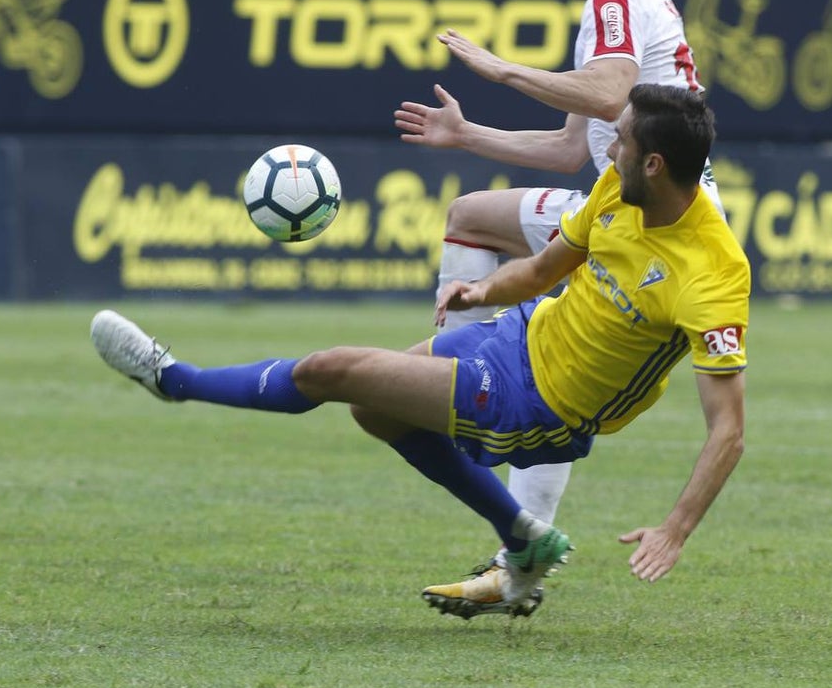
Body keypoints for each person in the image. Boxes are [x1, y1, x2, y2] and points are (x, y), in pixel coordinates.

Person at [91, 84, 750, 618]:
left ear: (655, 164)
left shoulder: (713, 272)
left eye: (623, 143)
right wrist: (481, 288)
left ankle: (175, 379)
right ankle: (524, 537)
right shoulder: (619, 189)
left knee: (336, 370)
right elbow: (546, 268)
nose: (610, 153)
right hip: (518, 332)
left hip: (545, 402)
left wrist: (674, 529)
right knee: (375, 411)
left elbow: (729, 429)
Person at [394, 0, 724, 617]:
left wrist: (498, 67)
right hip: (638, 204)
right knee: (473, 216)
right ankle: (516, 547)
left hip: (657, 222)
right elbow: (577, 145)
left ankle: (459, 402)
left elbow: (611, 96)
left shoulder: (616, 1)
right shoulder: (635, 7)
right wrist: (468, 133)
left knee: (556, 370)